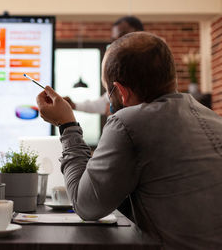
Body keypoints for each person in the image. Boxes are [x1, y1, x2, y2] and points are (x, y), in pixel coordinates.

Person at [36, 32, 222, 249]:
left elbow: (85, 205)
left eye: (108, 91)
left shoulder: (127, 123)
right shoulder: (213, 118)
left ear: (122, 92)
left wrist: (66, 125)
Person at [64, 15, 144, 115]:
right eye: (114, 39)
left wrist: (118, 113)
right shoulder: (122, 69)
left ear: (139, 33)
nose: (117, 43)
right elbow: (104, 102)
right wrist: (73, 105)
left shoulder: (153, 64)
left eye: (122, 36)